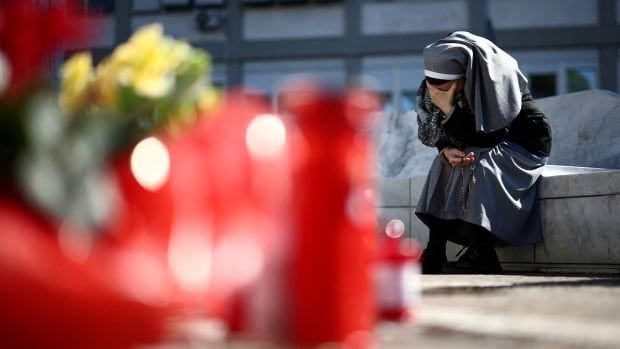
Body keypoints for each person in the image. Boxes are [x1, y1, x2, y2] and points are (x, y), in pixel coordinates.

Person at [415, 31, 552, 274]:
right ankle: (435, 250)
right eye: (430, 83)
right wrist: (445, 149)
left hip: (522, 141)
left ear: (462, 77)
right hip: (478, 141)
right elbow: (436, 131)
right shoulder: (435, 83)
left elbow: (491, 134)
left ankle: (483, 252)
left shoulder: (493, 77)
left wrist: (448, 108)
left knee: (476, 164)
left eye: (443, 86)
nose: (435, 91)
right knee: (443, 164)